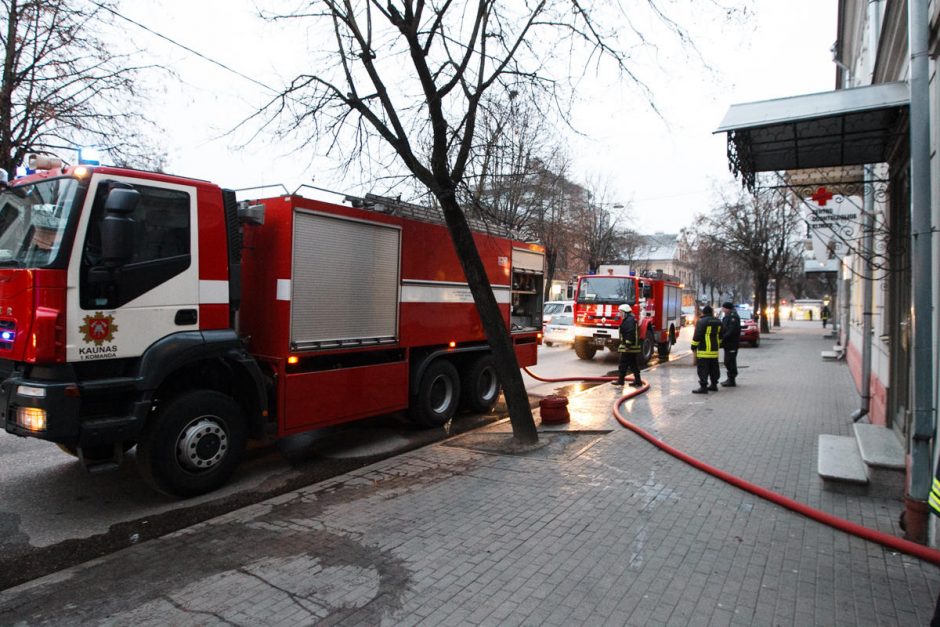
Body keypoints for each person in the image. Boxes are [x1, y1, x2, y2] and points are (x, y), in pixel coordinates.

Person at [690, 304, 722, 394]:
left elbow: (697, 335)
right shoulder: (718, 321)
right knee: (714, 368)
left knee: (703, 369)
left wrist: (693, 346)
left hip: (704, 351)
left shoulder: (701, 321)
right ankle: (714, 385)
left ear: (703, 312)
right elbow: (721, 336)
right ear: (711, 312)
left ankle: (703, 387)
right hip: (714, 351)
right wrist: (717, 345)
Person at [611, 304, 643, 387]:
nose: (619, 314)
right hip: (631, 346)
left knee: (623, 363)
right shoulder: (629, 319)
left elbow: (630, 333)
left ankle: (621, 381)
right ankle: (638, 381)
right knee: (633, 364)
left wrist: (627, 344)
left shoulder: (629, 320)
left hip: (629, 347)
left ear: (625, 312)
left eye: (620, 312)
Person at [720, 302, 741, 387]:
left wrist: (723, 338)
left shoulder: (733, 317)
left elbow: (731, 330)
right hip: (728, 343)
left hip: (732, 343)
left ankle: (732, 379)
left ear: (727, 308)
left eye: (723, 308)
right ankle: (730, 378)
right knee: (727, 361)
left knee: (730, 361)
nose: (723, 310)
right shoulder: (729, 315)